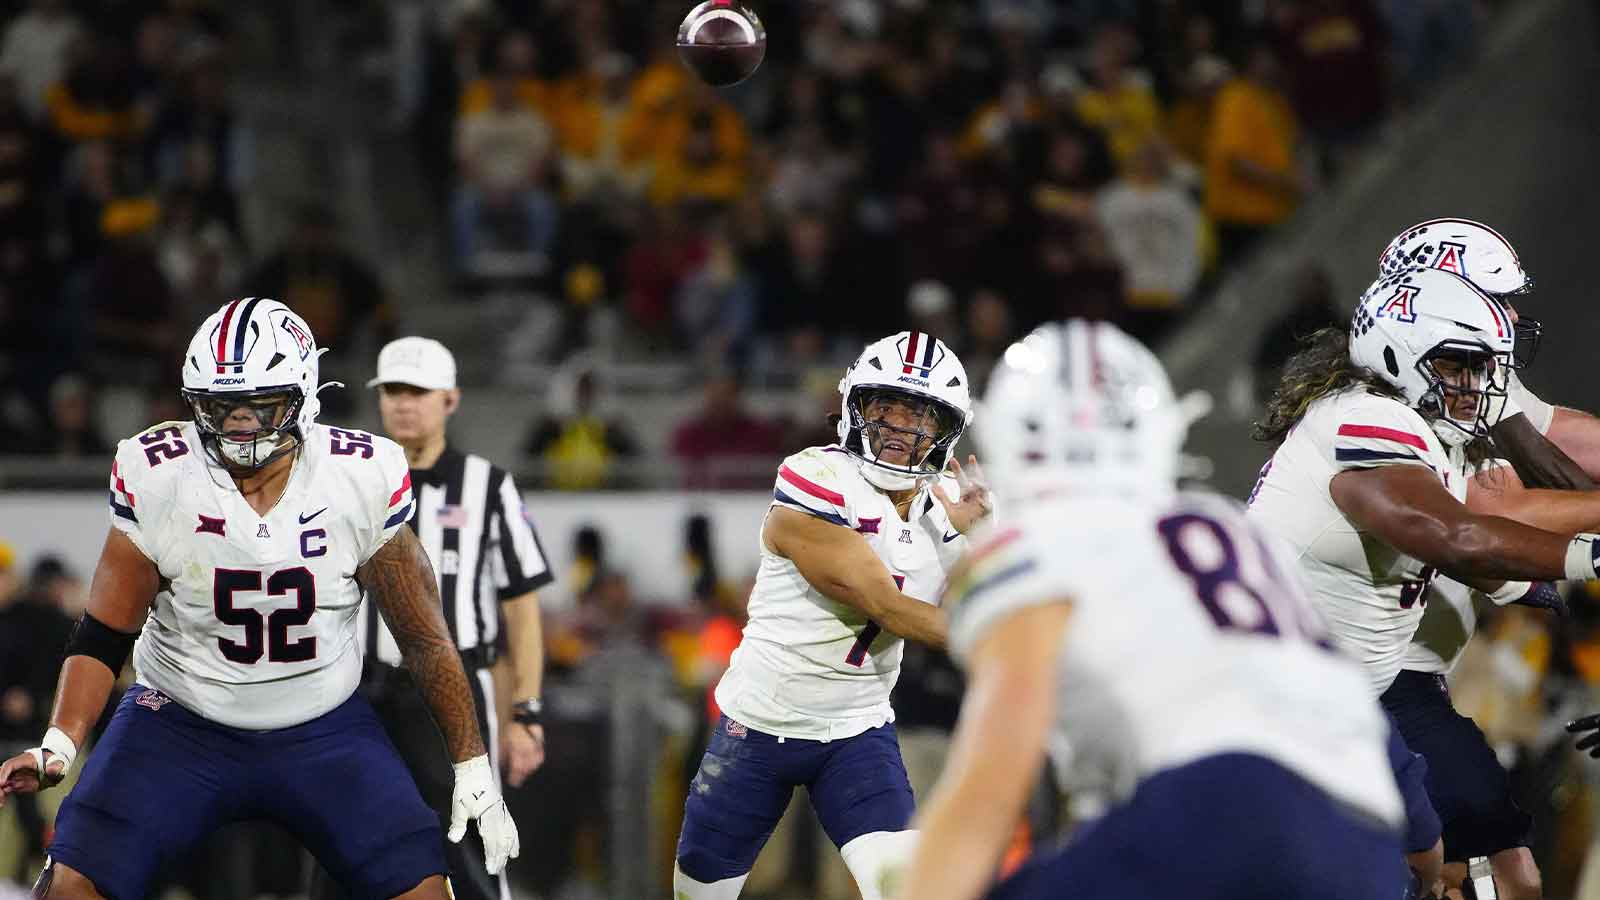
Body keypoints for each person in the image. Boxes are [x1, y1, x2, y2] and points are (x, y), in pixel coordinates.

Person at [0, 298, 518, 899]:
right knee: (72, 885)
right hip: (180, 721)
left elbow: (425, 640)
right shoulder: (161, 474)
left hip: (323, 724)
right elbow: (103, 632)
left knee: (422, 889)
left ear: (304, 396)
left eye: (260, 405)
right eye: (221, 407)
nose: (240, 426)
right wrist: (59, 743)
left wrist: (472, 766)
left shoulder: (357, 477)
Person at [896, 320, 1407, 900]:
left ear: (1009, 435)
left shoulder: (1029, 545)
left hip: (1218, 802)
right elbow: (1334, 694)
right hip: (1366, 836)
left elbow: (989, 782)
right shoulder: (1233, 528)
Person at [1247, 266, 1600, 894]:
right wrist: (1588, 559)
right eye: (1462, 365)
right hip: (1290, 699)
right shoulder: (1366, 418)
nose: (1481, 386)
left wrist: (1539, 590)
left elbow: (1475, 547)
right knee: (1438, 865)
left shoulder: (1417, 434)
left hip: (1365, 693)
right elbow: (1459, 535)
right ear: (1398, 352)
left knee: (1501, 865)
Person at [673, 331, 993, 900]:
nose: (898, 426)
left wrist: (987, 539)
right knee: (699, 895)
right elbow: (885, 606)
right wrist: (1000, 640)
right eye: (885, 406)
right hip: (758, 726)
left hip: (857, 732)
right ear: (855, 408)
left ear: (945, 429)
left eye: (918, 413)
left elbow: (1006, 597)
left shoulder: (953, 504)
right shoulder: (815, 477)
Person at [309, 336, 554, 900]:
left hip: (456, 684)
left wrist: (527, 711)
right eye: (393, 390)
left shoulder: (488, 487)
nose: (403, 402)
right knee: (335, 831)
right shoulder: (348, 481)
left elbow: (522, 606)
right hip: (358, 684)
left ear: (450, 400)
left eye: (417, 390)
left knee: (468, 835)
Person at [1375, 218, 1574, 899]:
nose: (1512, 318)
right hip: (1365, 681)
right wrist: (1582, 561)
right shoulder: (1389, 421)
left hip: (1405, 677)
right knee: (1472, 863)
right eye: (1496, 299)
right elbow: (1478, 540)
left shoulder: (1452, 387)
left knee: (1497, 865)